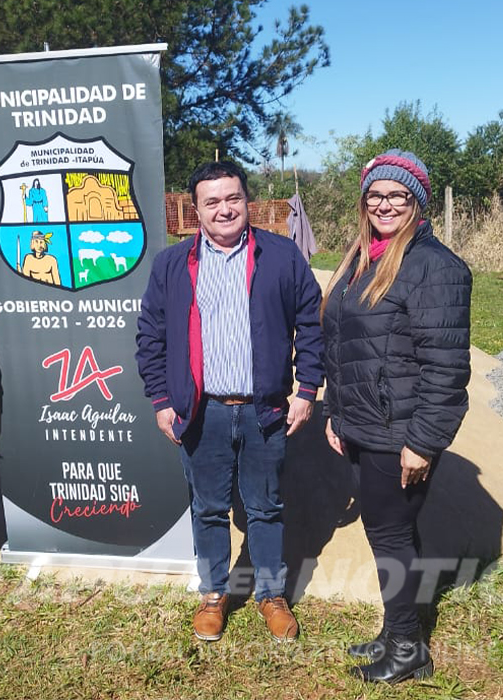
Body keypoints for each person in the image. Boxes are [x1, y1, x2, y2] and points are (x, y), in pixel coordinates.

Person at [135, 161, 324, 643]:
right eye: (212, 201)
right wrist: (161, 399)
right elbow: (150, 336)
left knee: (264, 507)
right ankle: (214, 595)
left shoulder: (281, 256)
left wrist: (306, 390)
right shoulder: (172, 265)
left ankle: (270, 595)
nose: (224, 209)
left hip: (264, 409)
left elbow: (312, 322)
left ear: (248, 200)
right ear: (194, 209)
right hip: (202, 411)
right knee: (209, 508)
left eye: (233, 198)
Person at [319, 149, 471, 682]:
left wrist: (424, 441)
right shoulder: (363, 255)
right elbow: (343, 344)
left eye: (397, 195)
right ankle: (397, 629)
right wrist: (337, 416)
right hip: (363, 423)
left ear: (417, 201)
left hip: (398, 430)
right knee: (391, 533)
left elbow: (446, 368)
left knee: (391, 536)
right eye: (376, 195)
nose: (385, 204)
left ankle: (409, 649)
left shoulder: (434, 267)